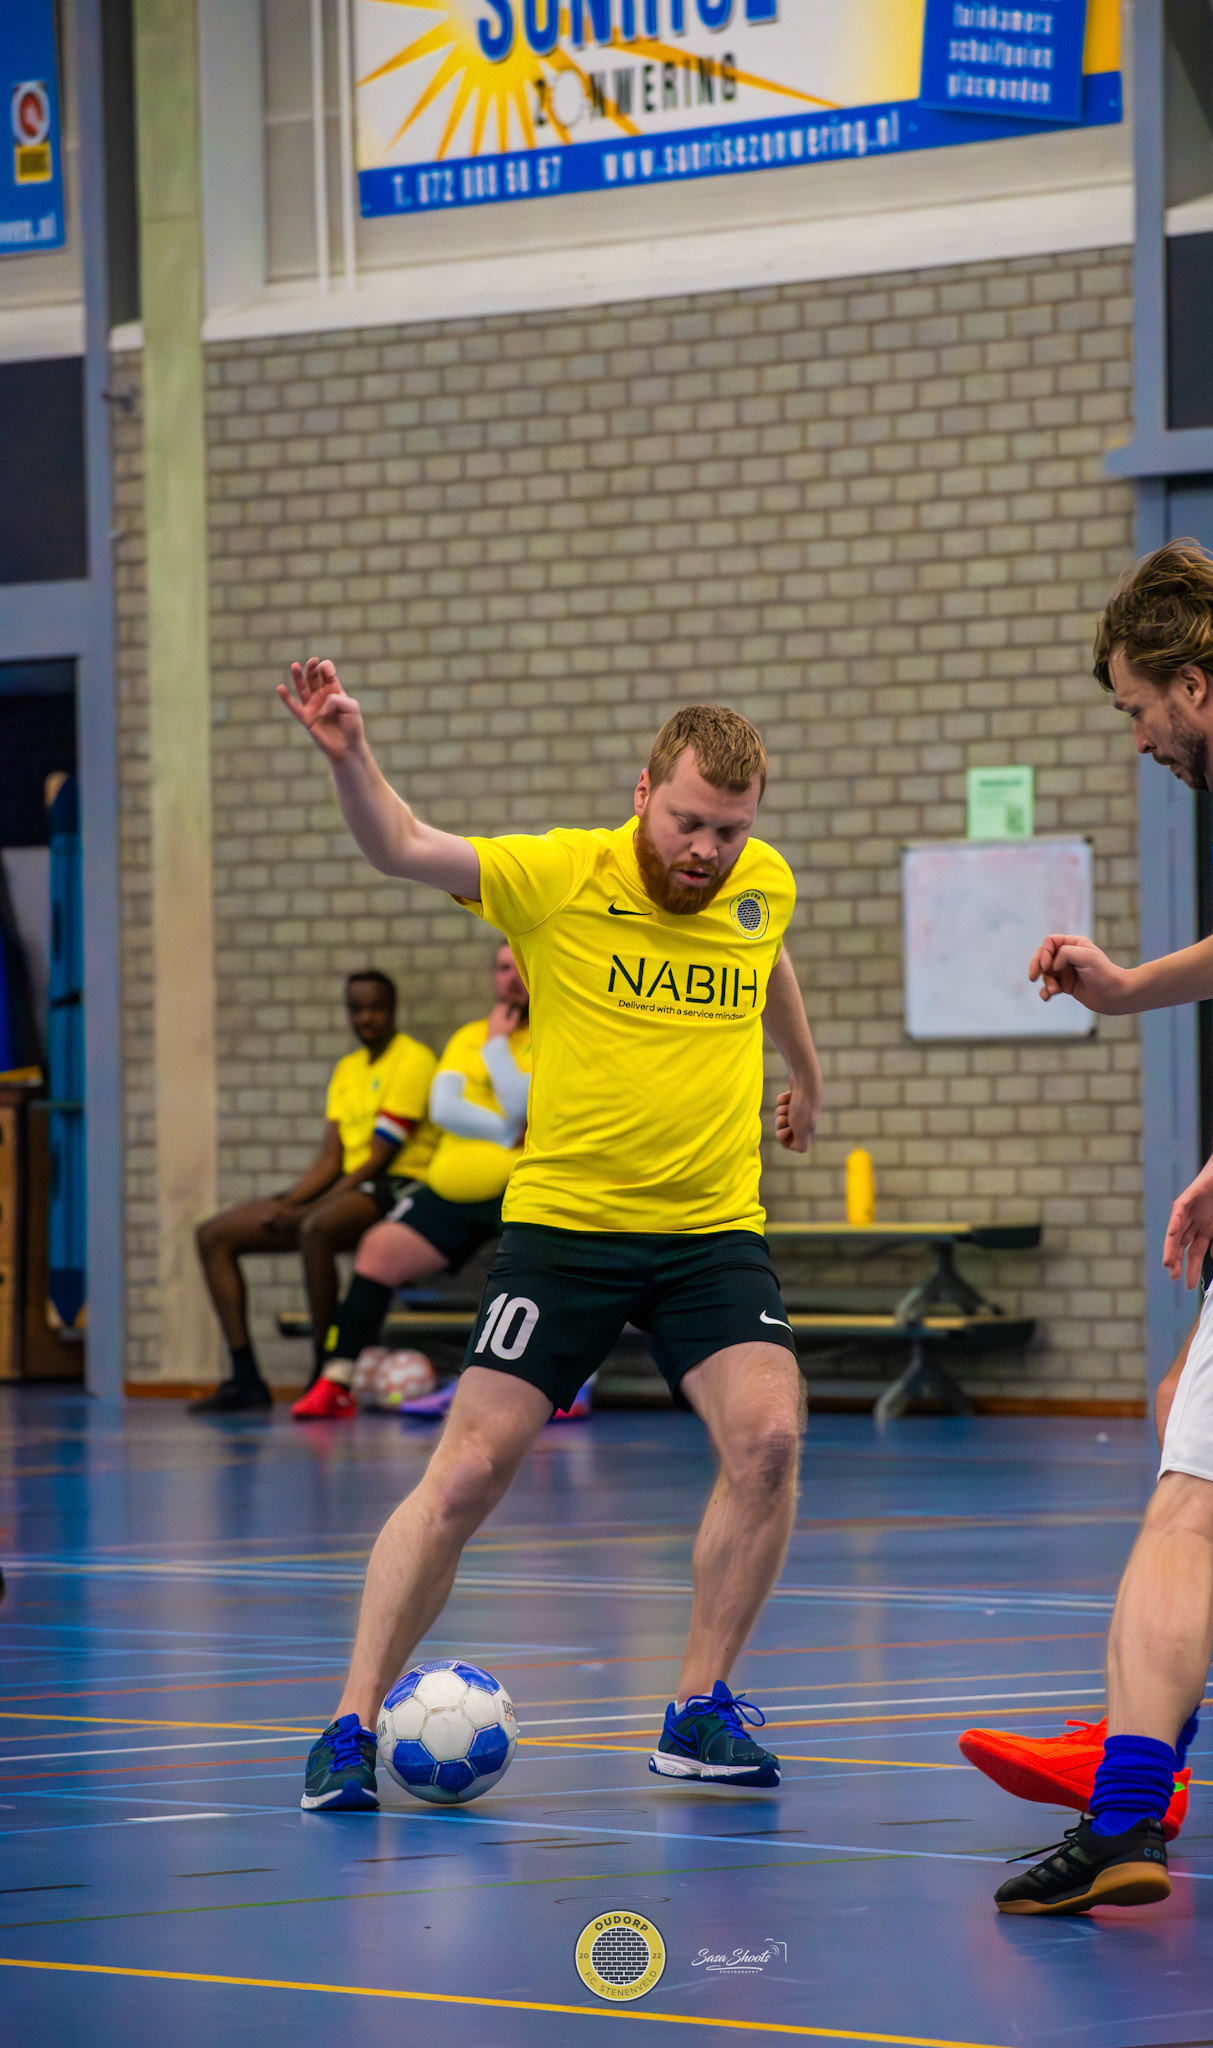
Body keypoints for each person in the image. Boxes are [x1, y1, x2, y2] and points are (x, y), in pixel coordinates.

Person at [279, 662, 823, 1812]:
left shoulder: (759, 881)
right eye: (687, 823)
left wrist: (808, 1077)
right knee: (469, 1469)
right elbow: (403, 845)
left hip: (709, 1229)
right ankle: (348, 1721)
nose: (707, 851)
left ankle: (699, 1708)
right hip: (566, 1229)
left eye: (729, 831)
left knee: (770, 1438)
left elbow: (766, 954)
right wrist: (351, 758)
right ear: (642, 793)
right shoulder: (559, 875)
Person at [960, 544, 1213, 1836]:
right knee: (1205, 1417)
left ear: (1202, 691)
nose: (1137, 738)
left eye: (1137, 708)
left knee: (1201, 1469)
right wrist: (1132, 985)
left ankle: (1143, 1764)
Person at [292, 941, 531, 1422]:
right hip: (449, 1190)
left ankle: (520, 1391)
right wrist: (508, 1129)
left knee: (535, 1261)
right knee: (379, 1247)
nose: (511, 976)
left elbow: (527, 1106)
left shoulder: (554, 1035)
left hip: (520, 1188)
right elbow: (445, 1109)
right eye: (503, 967)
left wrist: (497, 1050)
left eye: (520, 966)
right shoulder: (467, 1036)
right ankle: (336, 1381)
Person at [192, 971, 437, 1413]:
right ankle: (245, 1377)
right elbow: (330, 1158)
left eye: (375, 1008)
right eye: (356, 1009)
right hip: (348, 1186)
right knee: (214, 1235)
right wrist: (289, 1203)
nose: (365, 1018)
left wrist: (307, 1211)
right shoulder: (348, 1069)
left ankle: (325, 1372)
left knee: (315, 1228)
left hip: (395, 1185)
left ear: (392, 1009)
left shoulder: (413, 1060)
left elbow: (378, 1158)